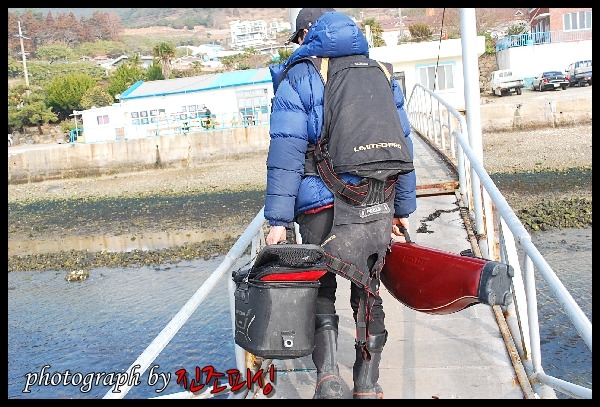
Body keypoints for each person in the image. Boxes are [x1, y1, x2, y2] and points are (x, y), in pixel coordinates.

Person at [265, 9, 416, 399]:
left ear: (306, 35)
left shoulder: (300, 76)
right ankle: (367, 383)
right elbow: (403, 141)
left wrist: (278, 219)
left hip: (320, 204)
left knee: (321, 287)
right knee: (368, 288)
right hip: (375, 200)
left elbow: (286, 152)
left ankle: (328, 379)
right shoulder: (380, 71)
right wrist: (402, 206)